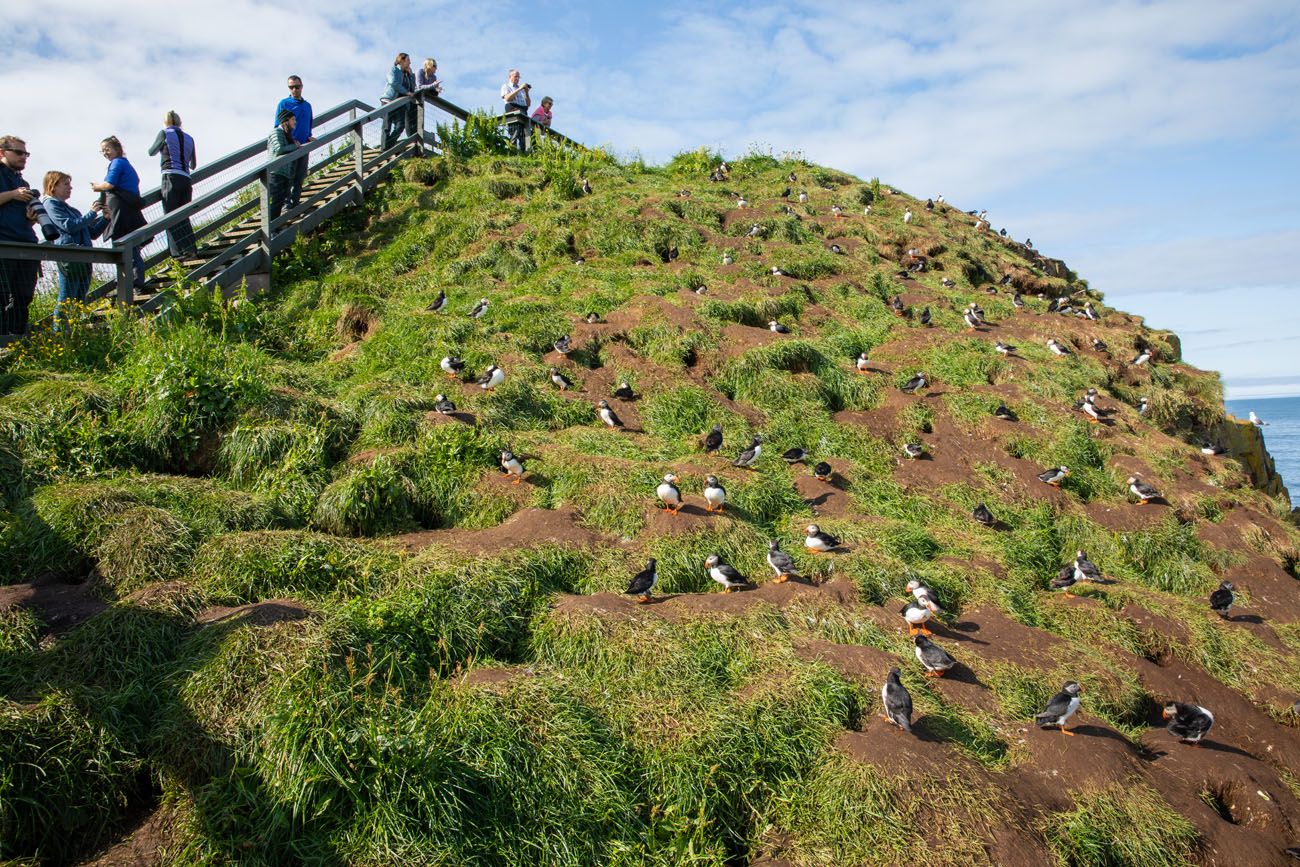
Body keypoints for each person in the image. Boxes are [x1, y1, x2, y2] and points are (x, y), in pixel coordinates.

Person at [41, 170, 107, 327]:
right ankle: (60, 333)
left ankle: (74, 329)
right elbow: (68, 226)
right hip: (70, 255)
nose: (70, 188)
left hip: (83, 255)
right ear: (53, 186)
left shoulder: (71, 209)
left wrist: (105, 219)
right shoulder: (50, 204)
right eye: (66, 184)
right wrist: (92, 213)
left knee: (79, 297)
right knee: (66, 297)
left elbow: (91, 233)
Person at [90, 135, 147, 291]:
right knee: (130, 247)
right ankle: (131, 283)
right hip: (127, 210)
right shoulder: (125, 164)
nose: (105, 153)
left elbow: (109, 184)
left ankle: (132, 284)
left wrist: (97, 187)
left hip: (121, 212)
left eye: (107, 149)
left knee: (124, 246)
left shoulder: (117, 163)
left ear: (117, 149)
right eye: (102, 151)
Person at [0, 135, 39, 335]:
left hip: (26, 243)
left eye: (26, 153)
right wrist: (13, 194)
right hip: (4, 243)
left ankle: (16, 342)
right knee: (1, 295)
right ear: (2, 152)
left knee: (23, 296)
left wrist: (31, 218)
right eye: (18, 152)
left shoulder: (22, 181)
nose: (24, 157)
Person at [147, 111, 197, 258]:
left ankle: (177, 255)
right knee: (183, 215)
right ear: (180, 122)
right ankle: (191, 249)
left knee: (170, 217)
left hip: (170, 176)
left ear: (165, 122)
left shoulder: (164, 133)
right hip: (186, 179)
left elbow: (151, 152)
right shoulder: (190, 138)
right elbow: (193, 164)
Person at [274, 75, 314, 208]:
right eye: (291, 87)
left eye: (297, 86)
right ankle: (287, 204)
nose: (294, 89)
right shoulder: (284, 103)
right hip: (290, 146)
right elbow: (278, 125)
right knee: (289, 177)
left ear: (302, 87)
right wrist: (288, 142)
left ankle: (295, 203)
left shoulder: (307, 105)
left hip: (303, 145)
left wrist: (309, 136)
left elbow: (309, 123)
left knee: (300, 176)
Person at [267, 110, 298, 221]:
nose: (295, 122)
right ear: (286, 121)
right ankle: (271, 228)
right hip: (275, 172)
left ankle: (274, 227)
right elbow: (279, 149)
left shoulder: (286, 134)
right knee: (277, 200)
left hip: (283, 172)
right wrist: (295, 146)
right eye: (293, 119)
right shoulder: (277, 132)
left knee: (279, 201)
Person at [381, 53, 416, 150]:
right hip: (389, 100)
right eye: (408, 60)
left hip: (399, 103)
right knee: (387, 126)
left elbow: (412, 88)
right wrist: (406, 92)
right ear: (402, 61)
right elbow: (394, 83)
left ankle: (388, 147)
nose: (410, 62)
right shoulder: (393, 70)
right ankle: (384, 149)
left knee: (400, 126)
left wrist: (412, 75)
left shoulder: (406, 74)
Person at [500, 69, 531, 152]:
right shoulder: (506, 86)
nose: (517, 78)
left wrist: (527, 92)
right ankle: (512, 151)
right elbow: (507, 98)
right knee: (514, 131)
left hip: (523, 110)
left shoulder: (521, 90)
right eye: (515, 76)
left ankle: (523, 152)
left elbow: (528, 104)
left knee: (524, 133)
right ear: (510, 77)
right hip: (512, 108)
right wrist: (519, 89)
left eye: (518, 77)